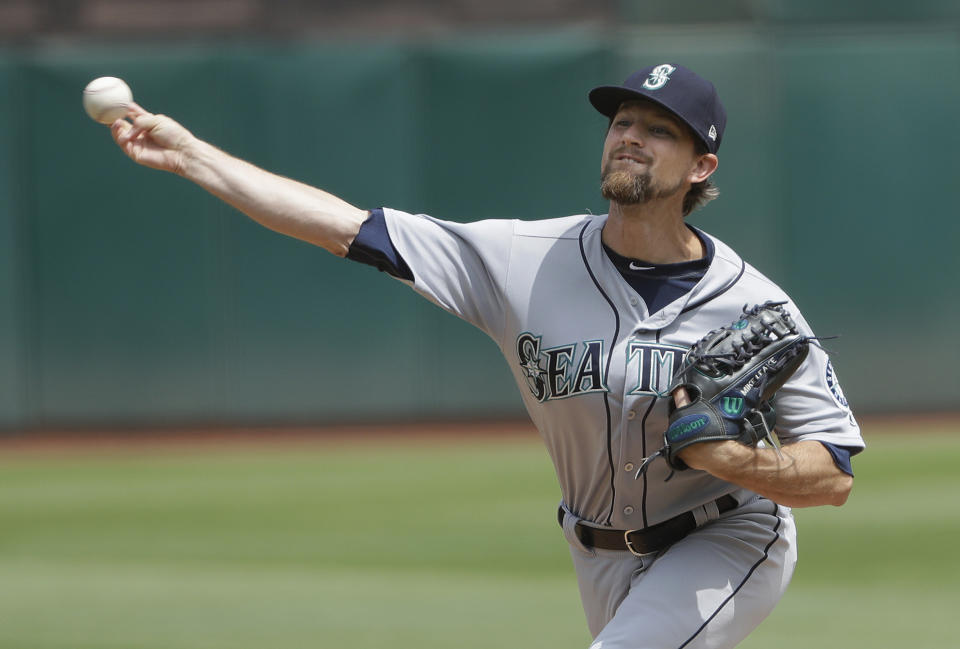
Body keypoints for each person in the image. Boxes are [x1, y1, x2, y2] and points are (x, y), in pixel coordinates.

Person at [110, 62, 864, 649]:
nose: (629, 135)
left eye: (659, 130)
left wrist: (736, 463)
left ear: (702, 167)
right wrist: (193, 156)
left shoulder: (754, 305)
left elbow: (832, 474)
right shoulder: (519, 257)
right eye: (622, 120)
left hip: (726, 537)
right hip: (593, 548)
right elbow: (345, 227)